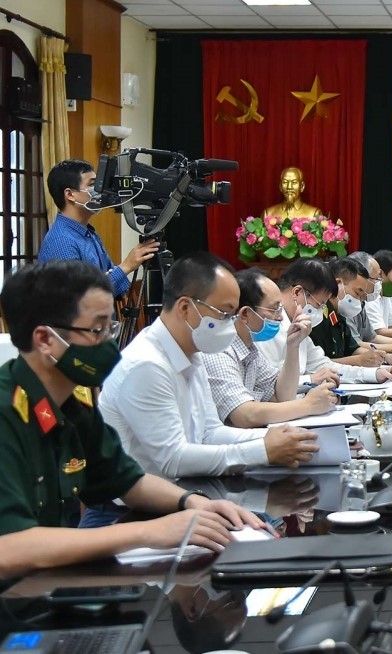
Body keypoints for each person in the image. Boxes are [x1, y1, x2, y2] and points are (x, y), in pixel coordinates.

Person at [0, 260, 264, 578]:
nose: (110, 344)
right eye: (97, 330)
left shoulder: (74, 400)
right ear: (45, 340)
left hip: (47, 581)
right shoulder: (7, 412)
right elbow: (10, 547)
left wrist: (194, 503)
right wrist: (147, 533)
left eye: (111, 327)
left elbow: (128, 481)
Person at [100, 253, 320, 483]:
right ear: (185, 308)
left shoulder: (192, 354)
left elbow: (210, 432)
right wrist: (263, 450)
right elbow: (173, 459)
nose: (232, 322)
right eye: (225, 313)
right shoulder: (147, 364)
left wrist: (286, 439)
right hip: (131, 511)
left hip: (183, 491)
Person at [201, 269, 338, 428]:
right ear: (245, 313)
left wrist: (293, 346)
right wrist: (309, 405)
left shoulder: (250, 350)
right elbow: (244, 415)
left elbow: (282, 396)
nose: (280, 317)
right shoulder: (219, 350)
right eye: (274, 309)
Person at [259, 258, 392, 384]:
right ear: (297, 292)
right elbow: (268, 385)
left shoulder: (299, 326)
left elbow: (322, 365)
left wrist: (373, 374)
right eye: (320, 304)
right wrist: (310, 380)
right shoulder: (267, 327)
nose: (322, 311)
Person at [38, 159, 160, 299]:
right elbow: (80, 298)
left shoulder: (88, 233)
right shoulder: (62, 241)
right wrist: (126, 266)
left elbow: (112, 284)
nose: (100, 190)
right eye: (92, 184)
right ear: (70, 194)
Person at [308, 257, 392, 380]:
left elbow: (353, 348)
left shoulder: (339, 313)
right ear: (338, 284)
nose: (360, 300)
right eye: (358, 293)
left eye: (362, 296)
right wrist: (359, 360)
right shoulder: (315, 315)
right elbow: (316, 364)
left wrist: (383, 357)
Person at [344, 251, 392, 357]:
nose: (380, 282)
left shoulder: (362, 302)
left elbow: (372, 337)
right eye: (377, 278)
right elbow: (356, 345)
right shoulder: (347, 303)